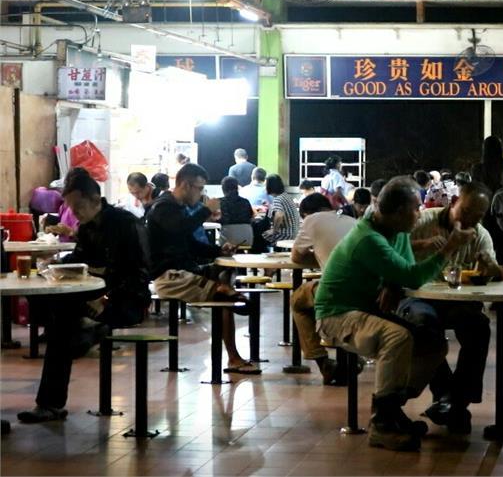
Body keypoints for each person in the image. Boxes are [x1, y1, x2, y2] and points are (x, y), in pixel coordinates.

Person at [315, 176, 474, 451]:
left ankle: (390, 407)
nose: (420, 213)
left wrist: (392, 283)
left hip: (365, 310)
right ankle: (383, 424)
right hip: (337, 315)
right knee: (397, 337)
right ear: (400, 211)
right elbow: (413, 276)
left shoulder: (395, 231)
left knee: (433, 344)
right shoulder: (368, 239)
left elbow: (403, 270)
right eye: (415, 208)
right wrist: (450, 247)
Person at [18, 168, 150, 423]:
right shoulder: (88, 227)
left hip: (126, 300)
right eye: (70, 207)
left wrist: (107, 298)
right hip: (91, 298)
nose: (74, 213)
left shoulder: (126, 224)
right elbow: (80, 258)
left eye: (78, 206)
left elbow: (140, 275)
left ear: (95, 199)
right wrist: (54, 266)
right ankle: (51, 402)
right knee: (53, 312)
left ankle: (51, 402)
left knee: (63, 331)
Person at [403, 182, 502, 434]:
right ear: (455, 201)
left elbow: (495, 273)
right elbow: (393, 249)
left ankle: (457, 401)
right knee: (423, 323)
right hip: (419, 295)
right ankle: (447, 394)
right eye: (466, 212)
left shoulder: (480, 235)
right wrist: (423, 244)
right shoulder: (423, 221)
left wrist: (490, 267)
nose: (470, 220)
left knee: (478, 326)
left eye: (478, 216)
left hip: (458, 300)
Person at [146, 163, 260, 375]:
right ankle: (233, 352)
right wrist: (206, 210)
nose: (201, 194)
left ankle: (227, 297)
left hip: (185, 271)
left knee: (223, 274)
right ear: (186, 185)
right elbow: (181, 229)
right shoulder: (164, 206)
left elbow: (190, 243)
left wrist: (219, 251)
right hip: (169, 277)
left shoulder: (177, 207)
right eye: (199, 189)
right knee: (223, 295)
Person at [290, 193, 357, 384]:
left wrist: (320, 258)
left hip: (336, 290)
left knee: (298, 301)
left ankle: (321, 360)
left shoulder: (311, 220)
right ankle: (350, 359)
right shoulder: (352, 221)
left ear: (306, 213)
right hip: (365, 290)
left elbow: (296, 257)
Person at [470, 135, 503, 267]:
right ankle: (501, 273)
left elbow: (475, 187)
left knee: (487, 244)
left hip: (485, 210)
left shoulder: (477, 168)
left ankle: (487, 271)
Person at [262, 174, 301, 245]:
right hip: (294, 233)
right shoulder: (286, 196)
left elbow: (279, 215)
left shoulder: (278, 199)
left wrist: (274, 230)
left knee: (260, 235)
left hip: (285, 234)